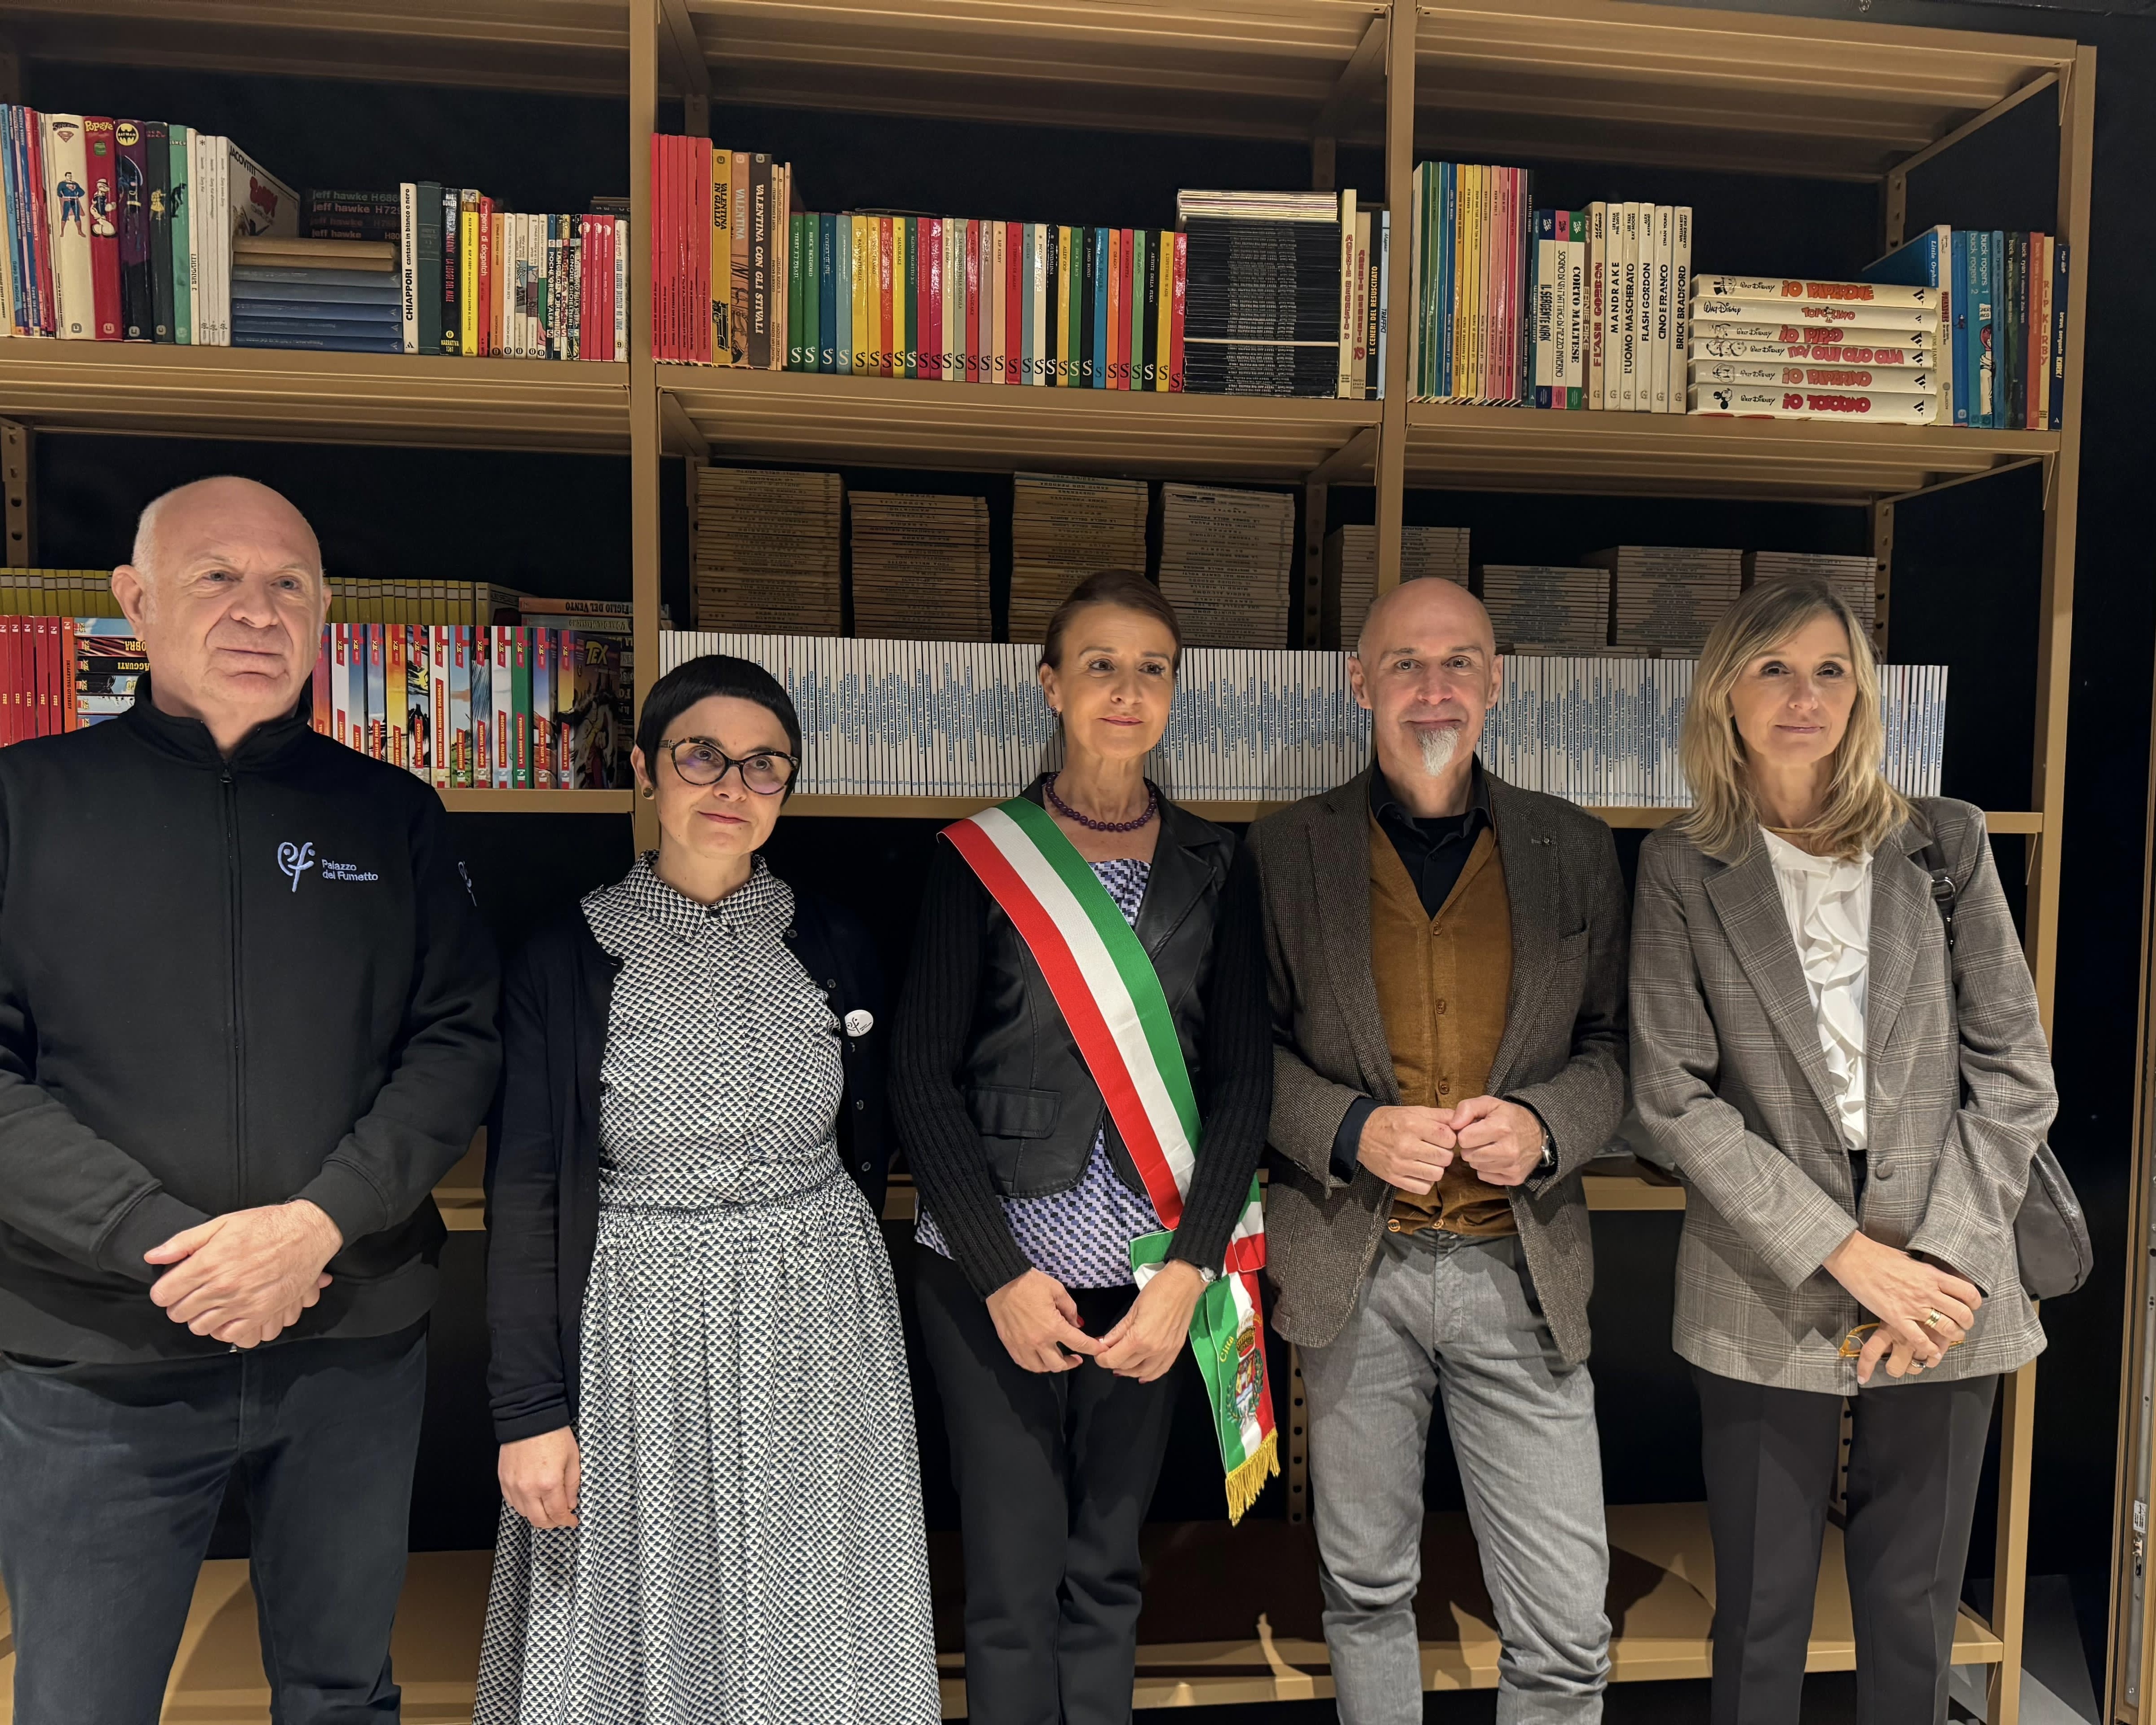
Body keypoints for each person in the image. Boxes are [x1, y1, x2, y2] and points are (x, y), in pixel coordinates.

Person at [0, 475, 501, 1724]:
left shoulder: (392, 814)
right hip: (96, 1360)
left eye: (289, 585)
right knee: (82, 1704)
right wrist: (165, 1247)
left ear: (324, 612)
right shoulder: (22, 801)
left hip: (350, 1342)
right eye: (217, 577)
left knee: (342, 1694)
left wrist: (314, 1227)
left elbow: (456, 1045)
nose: (257, 611)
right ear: (134, 602)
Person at [475, 653, 938, 1725]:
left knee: (820, 1599)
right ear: (645, 769)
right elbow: (528, 1192)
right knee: (652, 1605)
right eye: (702, 757)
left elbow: (870, 1133)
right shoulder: (565, 956)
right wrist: (529, 1412)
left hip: (818, 1321)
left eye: (764, 765)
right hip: (638, 1333)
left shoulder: (832, 940)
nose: (733, 786)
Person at [1630, 579, 2051, 1725]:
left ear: (1862, 696)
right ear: (1725, 694)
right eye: (1773, 669)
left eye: (1830, 671)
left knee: (1914, 1612)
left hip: (1951, 1279)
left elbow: (2016, 1073)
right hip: (1766, 1271)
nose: (1803, 696)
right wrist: (1849, 1256)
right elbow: (1670, 1098)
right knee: (1763, 1613)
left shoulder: (1946, 841)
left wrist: (1944, 1269)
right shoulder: (1681, 866)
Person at [1246, 574, 1630, 1725]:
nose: (1433, 687)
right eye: (1405, 663)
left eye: (1459, 660)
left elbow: (1616, 1050)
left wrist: (1548, 1126)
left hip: (1524, 1271)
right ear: (1359, 683)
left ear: (1496, 682)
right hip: (1351, 1273)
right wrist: (1351, 1128)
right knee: (1366, 1593)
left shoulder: (1576, 848)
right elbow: (1242, 1059)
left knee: (1566, 1634)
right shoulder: (1283, 852)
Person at [893, 570, 1272, 1725]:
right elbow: (919, 1077)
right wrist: (1000, 1275)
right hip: (994, 1276)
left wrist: (1188, 1274)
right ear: (1051, 685)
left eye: (1153, 669)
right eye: (1100, 664)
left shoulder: (1219, 863)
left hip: (1154, 1277)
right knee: (1011, 1585)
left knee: (1109, 1574)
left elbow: (1243, 1082)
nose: (1127, 689)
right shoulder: (978, 857)